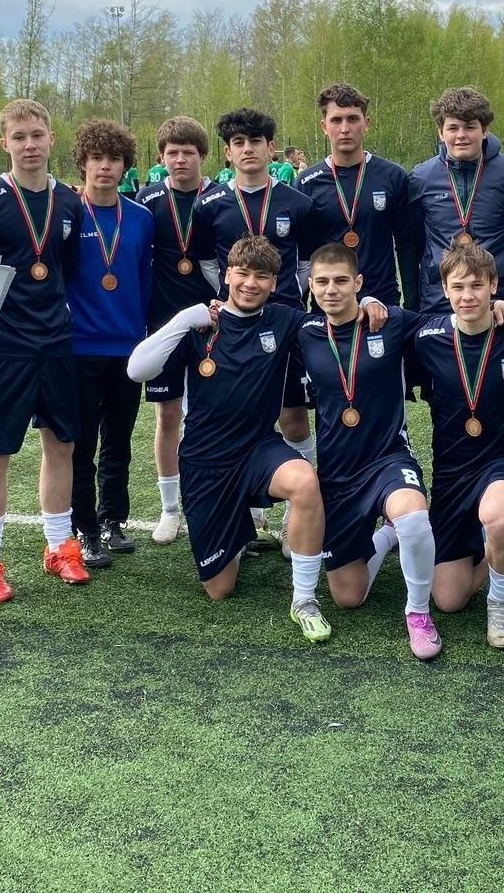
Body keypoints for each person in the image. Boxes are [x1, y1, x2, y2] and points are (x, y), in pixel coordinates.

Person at [126, 236, 332, 642]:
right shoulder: (200, 325)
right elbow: (136, 370)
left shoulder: (284, 320)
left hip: (258, 450)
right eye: (242, 273)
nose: (251, 284)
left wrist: (371, 302)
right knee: (219, 589)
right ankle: (238, 533)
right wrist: (184, 318)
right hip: (205, 462)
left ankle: (304, 599)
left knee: (306, 481)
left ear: (274, 282)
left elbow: (336, 320)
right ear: (226, 275)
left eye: (262, 276)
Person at [0, 98, 88, 601]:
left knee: (62, 446)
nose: (29, 145)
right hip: (4, 349)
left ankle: (59, 547)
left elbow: (66, 270)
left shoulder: (70, 201)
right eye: (19, 137)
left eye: (36, 135)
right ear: (4, 143)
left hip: (56, 344)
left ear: (51, 138)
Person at [296, 245, 443, 657]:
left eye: (342, 281)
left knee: (413, 515)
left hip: (387, 459)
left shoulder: (390, 321)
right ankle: (388, 535)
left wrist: (500, 305)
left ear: (358, 283)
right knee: (349, 597)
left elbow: (447, 323)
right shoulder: (303, 331)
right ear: (311, 286)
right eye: (322, 282)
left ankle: (418, 613)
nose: (331, 290)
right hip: (337, 474)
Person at [413, 242, 504, 648]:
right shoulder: (426, 336)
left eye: (477, 285)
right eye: (458, 287)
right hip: (451, 473)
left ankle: (500, 602)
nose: (467, 296)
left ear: (494, 284)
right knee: (449, 599)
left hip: (502, 460)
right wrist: (369, 300)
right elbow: (377, 322)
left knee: (497, 518)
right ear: (444, 288)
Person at [196, 108, 321, 531]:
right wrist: (233, 298)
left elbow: (306, 265)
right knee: (238, 412)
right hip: (233, 326)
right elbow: (206, 263)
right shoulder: (209, 204)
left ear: (271, 148)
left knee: (293, 414)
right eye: (238, 143)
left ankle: (293, 516)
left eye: (255, 142)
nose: (247, 149)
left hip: (285, 324)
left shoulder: (298, 203)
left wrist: (280, 296)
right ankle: (248, 514)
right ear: (227, 152)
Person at [67, 119, 154, 569]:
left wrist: (142, 334)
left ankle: (112, 520)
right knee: (81, 444)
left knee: (118, 440)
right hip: (79, 348)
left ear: (125, 166)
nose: (105, 166)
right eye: (96, 158)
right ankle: (84, 529)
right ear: (82, 163)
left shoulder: (140, 218)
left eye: (114, 159)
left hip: (127, 349)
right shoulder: (67, 214)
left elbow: (143, 279)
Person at [136, 116, 217, 544]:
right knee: (167, 416)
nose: (180, 159)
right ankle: (170, 510)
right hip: (163, 324)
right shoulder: (146, 200)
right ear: (161, 157)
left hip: (211, 324)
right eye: (172, 153)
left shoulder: (220, 198)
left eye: (188, 152)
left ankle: (235, 503)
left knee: (216, 412)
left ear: (203, 155)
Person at [406, 86, 504, 315]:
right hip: (438, 303)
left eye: (470, 127)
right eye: (453, 128)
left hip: (499, 301)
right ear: (440, 133)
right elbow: (417, 240)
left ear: (485, 130)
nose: (461, 135)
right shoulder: (421, 178)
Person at [296, 83, 419, 307]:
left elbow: (406, 244)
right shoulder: (307, 183)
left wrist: (412, 305)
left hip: (383, 302)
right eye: (336, 120)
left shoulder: (393, 176)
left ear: (366, 124)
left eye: (352, 119)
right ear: (324, 126)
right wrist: (299, 308)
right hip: (330, 306)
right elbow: (303, 254)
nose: (345, 128)